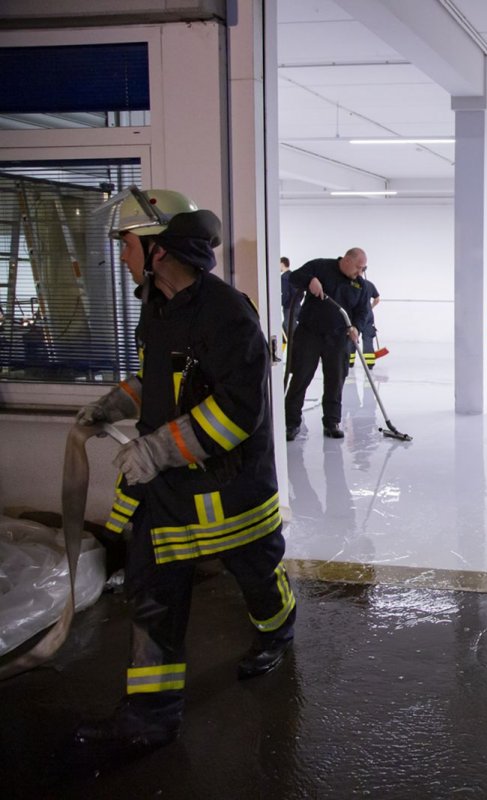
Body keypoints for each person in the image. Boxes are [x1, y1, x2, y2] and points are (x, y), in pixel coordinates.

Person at [72, 188, 296, 758]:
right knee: (151, 596)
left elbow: (238, 413)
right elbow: (160, 383)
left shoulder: (228, 313)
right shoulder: (158, 306)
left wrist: (154, 452)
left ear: (158, 249)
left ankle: (277, 628)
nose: (119, 255)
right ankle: (150, 716)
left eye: (124, 243)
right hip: (168, 494)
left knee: (256, 576)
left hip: (230, 492)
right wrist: (112, 404)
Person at [283, 248, 370, 440]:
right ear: (347, 260)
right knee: (301, 377)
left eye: (363, 269)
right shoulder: (320, 266)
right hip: (310, 334)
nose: (360, 272)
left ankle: (332, 422)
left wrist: (356, 327)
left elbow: (363, 311)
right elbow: (294, 277)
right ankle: (291, 423)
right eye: (358, 267)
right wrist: (309, 280)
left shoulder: (360, 285)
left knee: (335, 380)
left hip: (338, 338)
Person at [349, 266, 381, 369]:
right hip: (368, 315)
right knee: (368, 339)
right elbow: (377, 299)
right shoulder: (369, 285)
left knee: (352, 337)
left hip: (356, 315)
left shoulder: (351, 284)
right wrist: (370, 307)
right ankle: (370, 363)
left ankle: (350, 362)